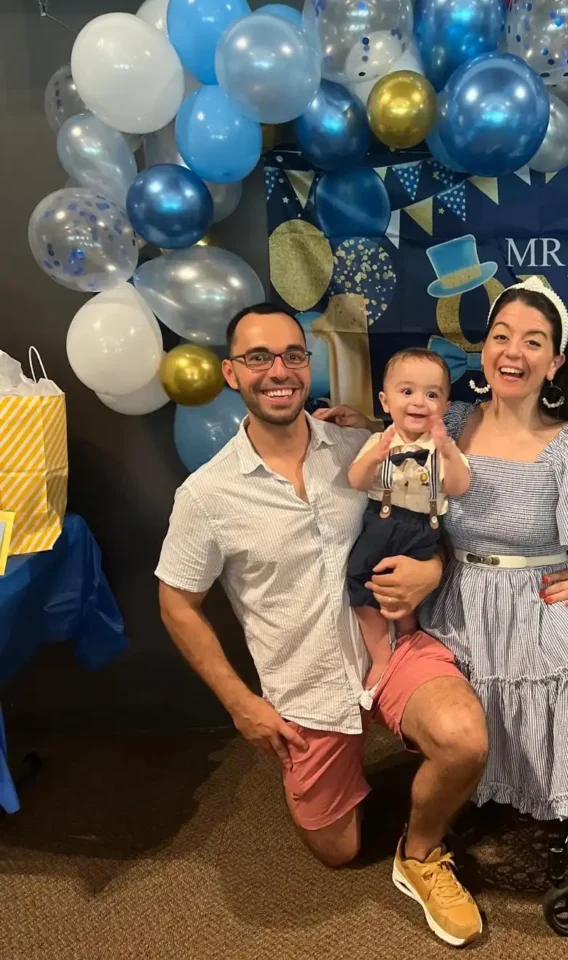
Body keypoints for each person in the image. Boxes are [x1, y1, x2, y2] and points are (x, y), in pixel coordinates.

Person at [156, 303, 487, 947]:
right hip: (304, 685)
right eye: (258, 358)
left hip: (391, 650)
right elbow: (176, 603)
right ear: (230, 373)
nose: (278, 371)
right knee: (337, 850)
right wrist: (240, 703)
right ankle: (346, 766)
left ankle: (419, 856)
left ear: (309, 365)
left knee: (465, 741)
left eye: (293, 355)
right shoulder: (205, 495)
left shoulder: (359, 443)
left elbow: (429, 520)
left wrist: (433, 568)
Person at [323, 277, 568, 822]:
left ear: (556, 361)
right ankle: (466, 791)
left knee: (533, 693)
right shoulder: (449, 420)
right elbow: (401, 440)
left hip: (537, 608)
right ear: (486, 347)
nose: (513, 352)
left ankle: (523, 792)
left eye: (533, 341)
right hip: (457, 601)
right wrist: (361, 427)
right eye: (501, 335)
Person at [347, 348, 471, 689]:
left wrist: (448, 452)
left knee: (408, 593)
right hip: (382, 521)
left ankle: (407, 639)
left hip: (423, 529)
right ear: (385, 402)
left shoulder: (443, 447)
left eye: (431, 394)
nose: (419, 402)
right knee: (360, 579)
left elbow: (460, 487)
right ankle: (380, 655)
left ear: (445, 408)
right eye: (407, 392)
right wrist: (375, 456)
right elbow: (356, 481)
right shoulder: (378, 440)